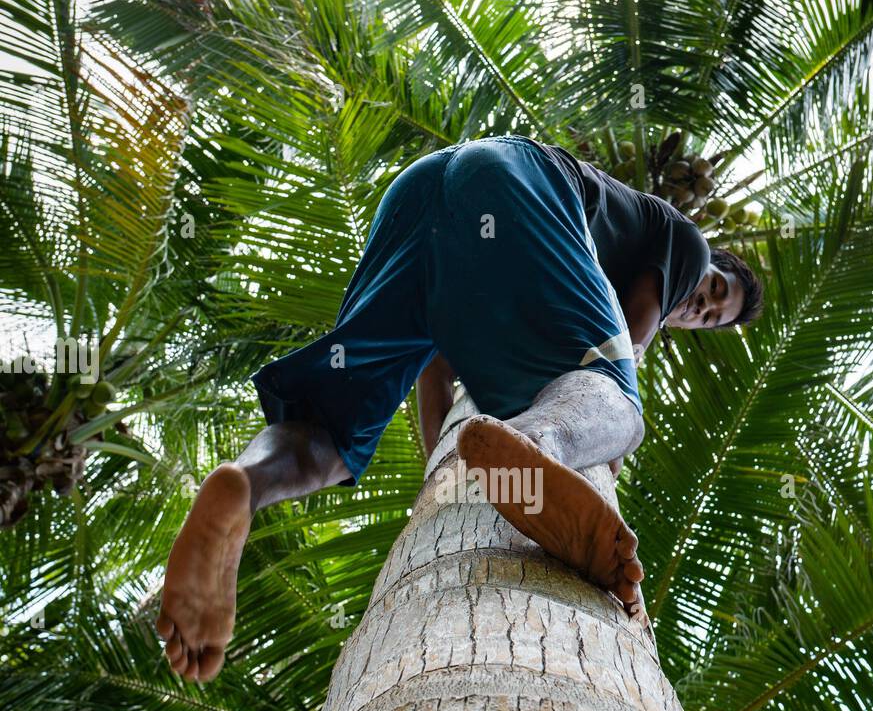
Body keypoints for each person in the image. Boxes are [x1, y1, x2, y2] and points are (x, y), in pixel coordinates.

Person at [156, 134, 763, 682]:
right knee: (621, 404)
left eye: (713, 318)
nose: (704, 306)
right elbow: (625, 345)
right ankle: (541, 449)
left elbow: (436, 369)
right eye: (714, 291)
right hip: (520, 179)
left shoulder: (543, 281)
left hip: (420, 199)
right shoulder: (685, 241)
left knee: (333, 435)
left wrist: (443, 469)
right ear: (706, 267)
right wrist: (596, 432)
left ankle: (244, 484)